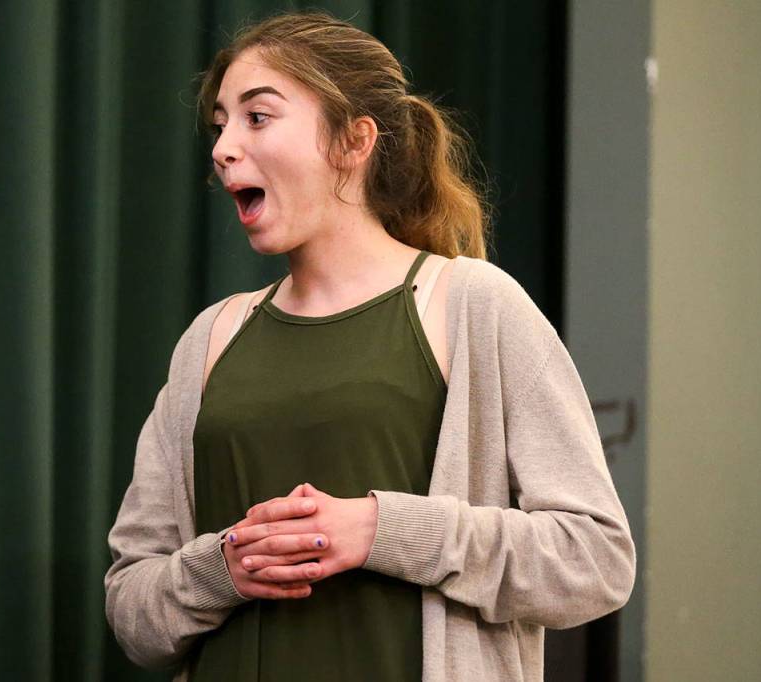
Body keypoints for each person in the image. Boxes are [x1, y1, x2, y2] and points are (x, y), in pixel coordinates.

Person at [104, 10, 635, 682]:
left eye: (257, 117)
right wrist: (222, 569)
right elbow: (131, 609)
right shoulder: (209, 341)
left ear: (354, 141)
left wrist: (383, 531)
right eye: (219, 125)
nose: (223, 148)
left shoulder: (477, 306)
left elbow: (594, 560)